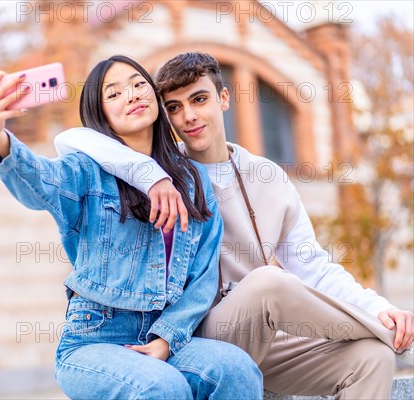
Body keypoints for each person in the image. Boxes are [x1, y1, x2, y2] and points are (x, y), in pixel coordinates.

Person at [54, 52, 414, 399]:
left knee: (373, 358)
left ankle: (382, 333)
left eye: (199, 100)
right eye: (174, 108)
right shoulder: (157, 173)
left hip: (261, 335)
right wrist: (150, 175)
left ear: (224, 98)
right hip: (190, 337)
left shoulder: (267, 175)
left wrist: (377, 306)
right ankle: (386, 333)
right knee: (269, 282)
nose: (189, 117)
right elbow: (72, 139)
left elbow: (313, 267)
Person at [0, 54, 263, 399]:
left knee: (237, 370)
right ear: (101, 114)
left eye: (138, 84)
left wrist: (166, 338)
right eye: (113, 94)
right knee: (163, 387)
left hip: (166, 334)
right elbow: (42, 182)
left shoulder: (192, 180)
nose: (131, 95)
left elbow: (203, 277)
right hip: (95, 339)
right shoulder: (85, 170)